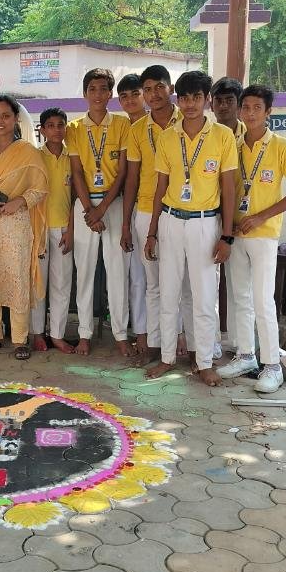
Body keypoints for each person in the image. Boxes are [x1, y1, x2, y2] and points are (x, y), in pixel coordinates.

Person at [144, 70, 237, 387]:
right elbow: (160, 187)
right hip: (171, 221)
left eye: (197, 97)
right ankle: (167, 357)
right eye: (184, 98)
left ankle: (205, 362)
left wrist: (227, 235)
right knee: (168, 293)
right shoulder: (168, 138)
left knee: (204, 297)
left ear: (207, 99)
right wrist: (152, 232)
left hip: (205, 223)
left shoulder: (222, 136)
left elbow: (229, 188)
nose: (190, 104)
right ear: (178, 100)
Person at [218, 85, 286, 394]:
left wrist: (261, 216)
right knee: (239, 297)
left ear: (268, 112)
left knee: (263, 300)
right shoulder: (233, 145)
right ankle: (245, 356)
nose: (251, 113)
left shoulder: (282, 146)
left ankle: (272, 366)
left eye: (257, 108)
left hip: (264, 235)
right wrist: (228, 227)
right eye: (246, 107)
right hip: (236, 233)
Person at [0, 94, 48, 361]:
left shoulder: (28, 152)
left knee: (17, 278)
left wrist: (19, 202)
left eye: (5, 116)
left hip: (16, 225)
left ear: (16, 119)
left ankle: (19, 339)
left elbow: (40, 188)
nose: (0, 121)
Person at [67, 68, 132, 356]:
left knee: (118, 271)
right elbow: (76, 172)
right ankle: (84, 333)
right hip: (85, 206)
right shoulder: (74, 128)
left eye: (103, 89)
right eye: (92, 89)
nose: (97, 94)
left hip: (113, 205)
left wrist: (102, 209)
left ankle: (120, 333)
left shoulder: (121, 124)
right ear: (85, 93)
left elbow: (123, 172)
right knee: (84, 272)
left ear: (110, 93)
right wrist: (89, 210)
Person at [121, 65, 182, 365]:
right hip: (145, 212)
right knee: (153, 283)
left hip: (181, 210)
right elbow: (131, 179)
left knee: (181, 283)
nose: (154, 94)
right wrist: (126, 224)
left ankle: (182, 340)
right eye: (148, 89)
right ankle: (155, 344)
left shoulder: (187, 121)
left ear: (171, 88)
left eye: (159, 87)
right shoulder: (137, 130)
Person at [30, 107, 74, 354]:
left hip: (64, 229)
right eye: (51, 126)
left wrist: (71, 230)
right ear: (43, 130)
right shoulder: (35, 157)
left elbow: (76, 196)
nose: (56, 130)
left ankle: (57, 334)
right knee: (38, 284)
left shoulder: (73, 157)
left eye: (61, 125)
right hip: (39, 229)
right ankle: (38, 333)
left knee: (61, 283)